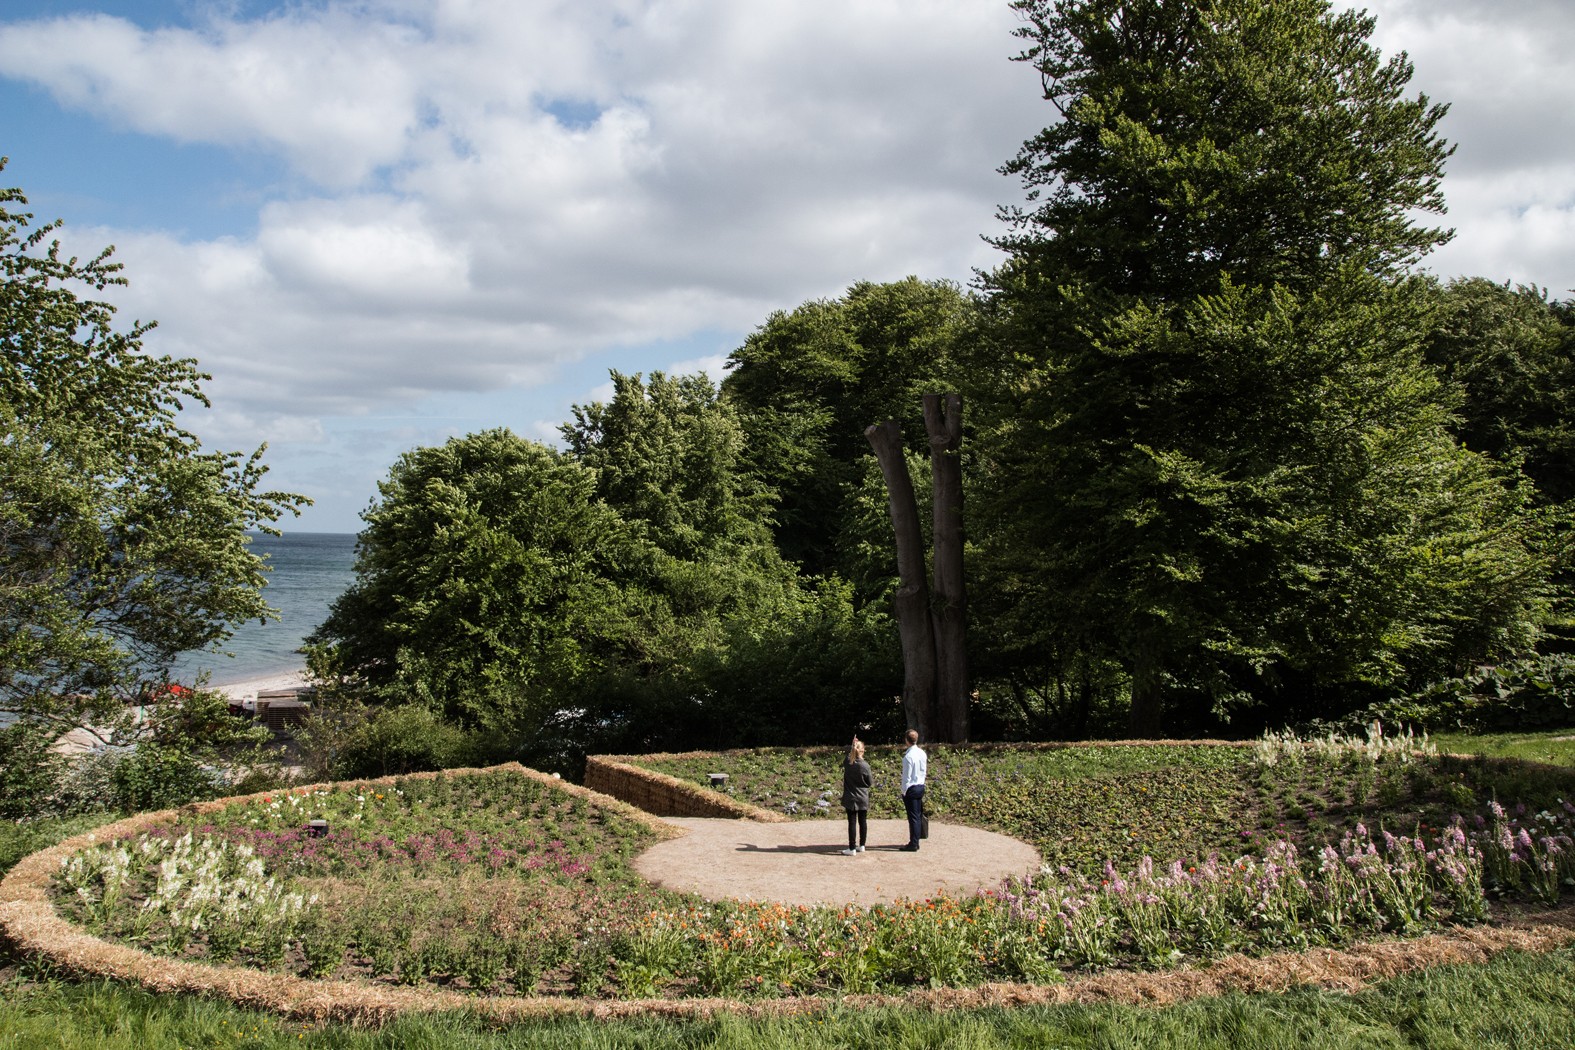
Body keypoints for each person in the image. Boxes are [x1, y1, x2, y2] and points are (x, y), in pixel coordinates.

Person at [839, 736, 872, 855]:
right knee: (863, 821)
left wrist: (852, 745)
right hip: (862, 797)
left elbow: (847, 758)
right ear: (863, 751)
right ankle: (862, 845)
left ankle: (852, 848)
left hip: (850, 797)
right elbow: (870, 782)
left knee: (852, 822)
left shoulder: (848, 763)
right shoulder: (865, 766)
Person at [899, 728, 926, 851]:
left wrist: (903, 791)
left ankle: (914, 843)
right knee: (918, 815)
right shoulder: (922, 753)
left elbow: (906, 777)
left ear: (906, 740)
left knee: (913, 817)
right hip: (921, 785)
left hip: (912, 788)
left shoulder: (908, 756)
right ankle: (916, 840)